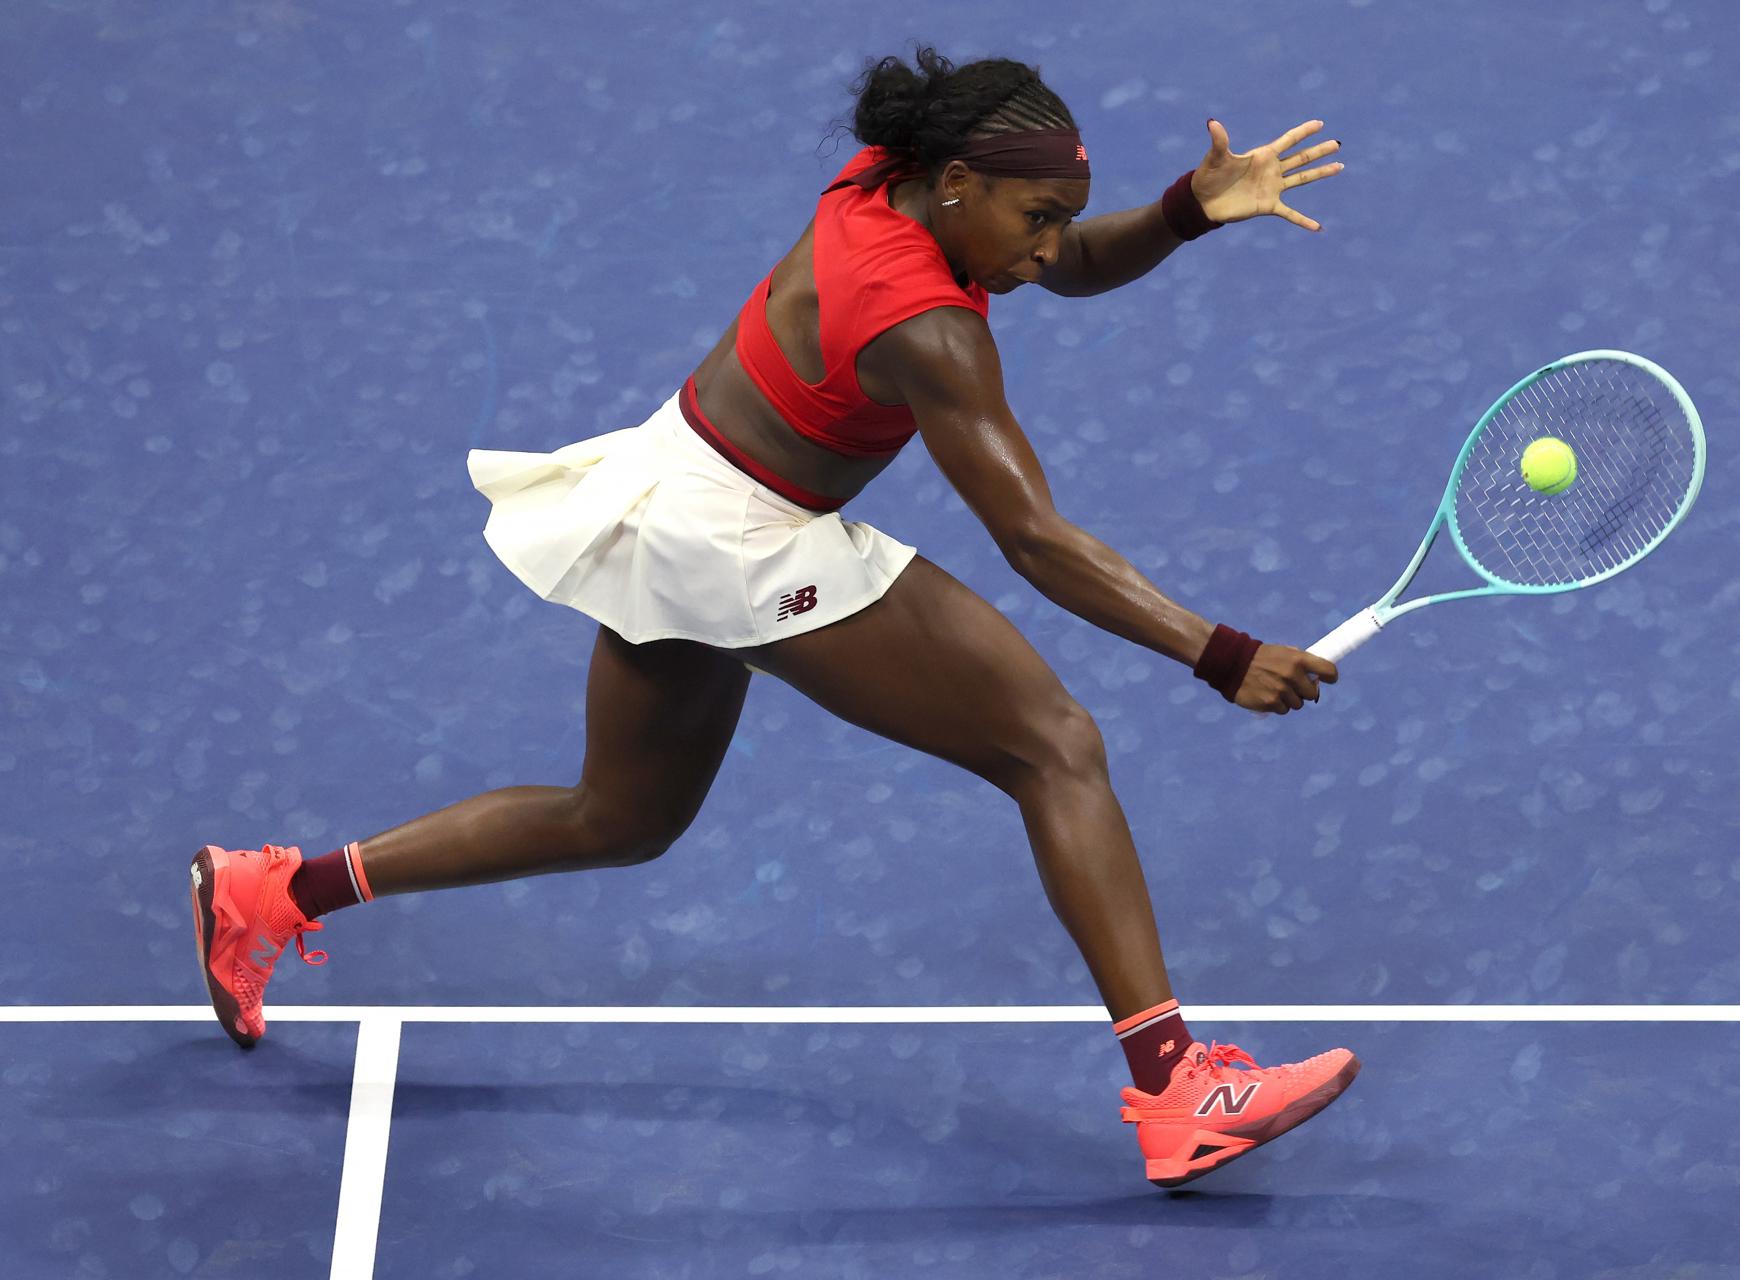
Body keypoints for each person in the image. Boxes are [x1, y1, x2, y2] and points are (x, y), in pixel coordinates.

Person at [190, 45, 1355, 1189]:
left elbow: (1077, 264)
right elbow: (1035, 538)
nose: (1049, 246)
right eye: (1037, 217)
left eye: (1060, 217)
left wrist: (1187, 210)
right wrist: (1221, 651)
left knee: (620, 816)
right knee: (1054, 746)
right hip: (742, 538)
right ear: (959, 185)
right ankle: (1174, 1086)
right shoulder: (925, 327)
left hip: (669, 490)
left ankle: (270, 890)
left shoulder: (886, 178)